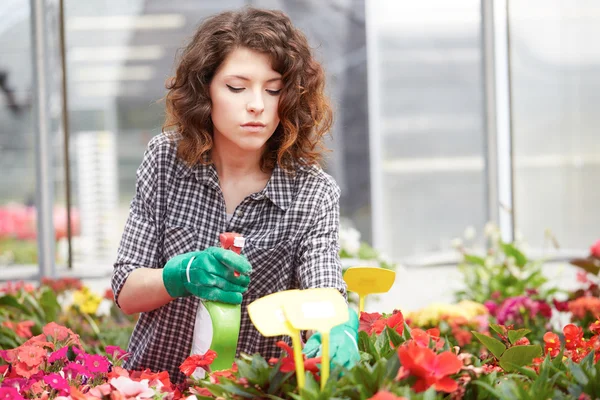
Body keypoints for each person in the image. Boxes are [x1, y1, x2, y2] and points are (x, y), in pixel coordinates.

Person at [111, 6, 359, 383]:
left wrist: (337, 325)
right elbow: (126, 291)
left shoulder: (312, 191)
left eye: (274, 89)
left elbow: (323, 284)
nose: (257, 104)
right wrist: (182, 274)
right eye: (237, 87)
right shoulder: (165, 160)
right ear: (205, 89)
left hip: (251, 390)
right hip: (153, 387)